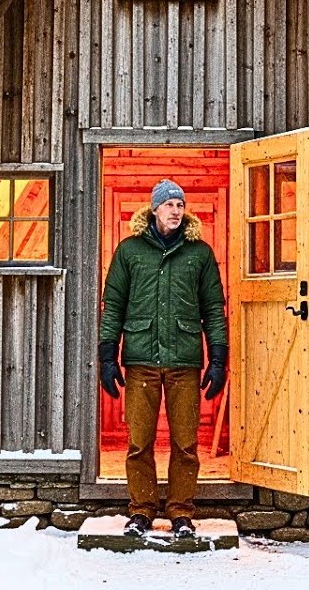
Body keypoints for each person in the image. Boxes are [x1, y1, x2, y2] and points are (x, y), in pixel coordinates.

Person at [98, 179, 229, 539]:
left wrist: (218, 357)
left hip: (185, 361)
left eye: (180, 205)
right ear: (154, 209)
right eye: (169, 204)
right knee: (139, 442)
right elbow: (114, 308)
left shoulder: (199, 253)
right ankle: (141, 511)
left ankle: (181, 513)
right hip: (140, 360)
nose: (175, 210)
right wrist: (107, 355)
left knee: (186, 444)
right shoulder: (130, 251)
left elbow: (213, 309)